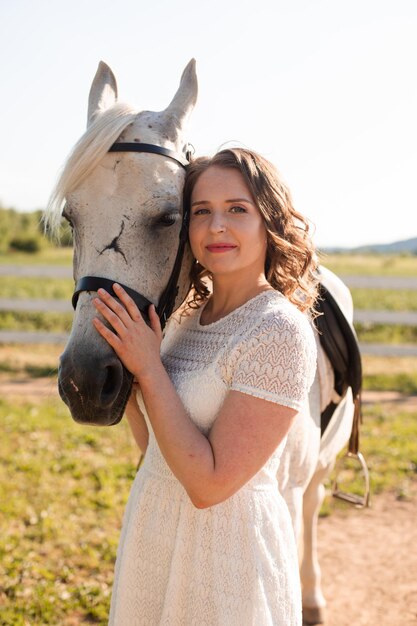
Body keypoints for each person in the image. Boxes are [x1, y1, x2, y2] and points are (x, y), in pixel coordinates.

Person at [92, 148, 318, 625]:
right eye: (201, 212)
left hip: (225, 555)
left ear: (269, 222)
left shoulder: (277, 330)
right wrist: (129, 374)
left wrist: (151, 371)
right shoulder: (184, 321)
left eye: (237, 209)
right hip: (155, 532)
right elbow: (154, 448)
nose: (217, 226)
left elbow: (209, 485)